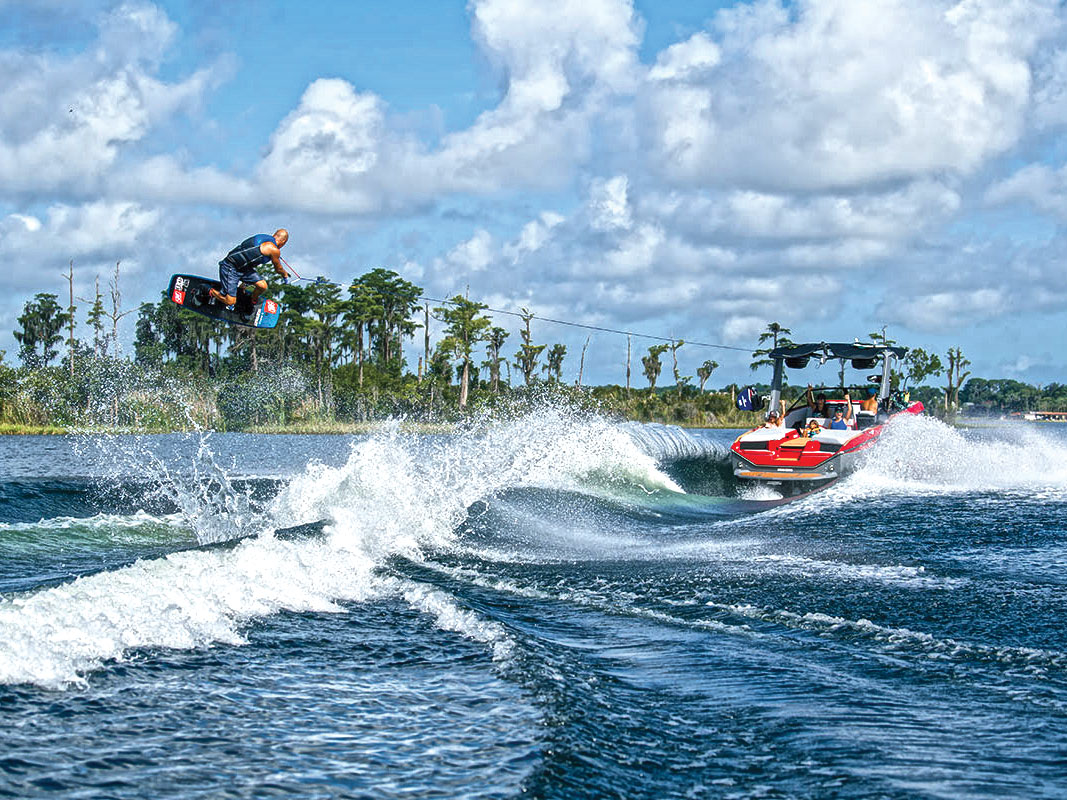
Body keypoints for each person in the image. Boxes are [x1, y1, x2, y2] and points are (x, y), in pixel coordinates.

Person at [207, 229, 290, 309]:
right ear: (283, 242)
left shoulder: (263, 238)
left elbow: (250, 260)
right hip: (230, 267)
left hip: (243, 269)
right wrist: (285, 275)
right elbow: (278, 269)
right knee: (230, 302)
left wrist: (244, 283)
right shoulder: (274, 250)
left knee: (262, 286)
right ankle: (210, 291)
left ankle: (250, 301)